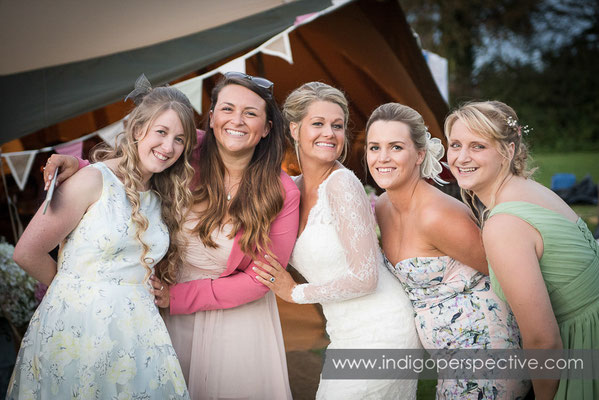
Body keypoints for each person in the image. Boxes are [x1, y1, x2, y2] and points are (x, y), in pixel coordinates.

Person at [44, 72, 299, 400]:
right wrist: (79, 165)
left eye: (251, 113)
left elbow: (261, 278)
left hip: (233, 316)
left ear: (266, 128)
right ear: (211, 117)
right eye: (227, 109)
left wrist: (178, 298)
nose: (237, 120)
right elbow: (134, 163)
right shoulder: (185, 148)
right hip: (164, 313)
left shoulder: (282, 192)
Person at [7, 77, 195, 399]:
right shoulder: (92, 180)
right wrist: (77, 295)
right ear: (138, 130)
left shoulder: (160, 194)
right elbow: (27, 252)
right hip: (78, 327)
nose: (168, 147)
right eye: (161, 132)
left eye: (179, 139)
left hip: (139, 333)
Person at [253, 82, 421, 400]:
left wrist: (294, 292)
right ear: (294, 128)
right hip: (343, 331)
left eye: (337, 125)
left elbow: (365, 278)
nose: (329, 133)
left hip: (382, 329)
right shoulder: (290, 189)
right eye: (318, 123)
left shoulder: (342, 184)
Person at [364, 102, 531, 399]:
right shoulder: (383, 207)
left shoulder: (438, 215)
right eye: (374, 147)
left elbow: (510, 276)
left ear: (419, 155)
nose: (383, 158)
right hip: (448, 361)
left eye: (396, 147)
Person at [445, 100, 599, 400]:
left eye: (477, 146)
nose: (461, 158)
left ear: (508, 150)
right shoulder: (532, 189)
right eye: (455, 144)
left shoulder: (504, 225)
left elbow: (543, 340)